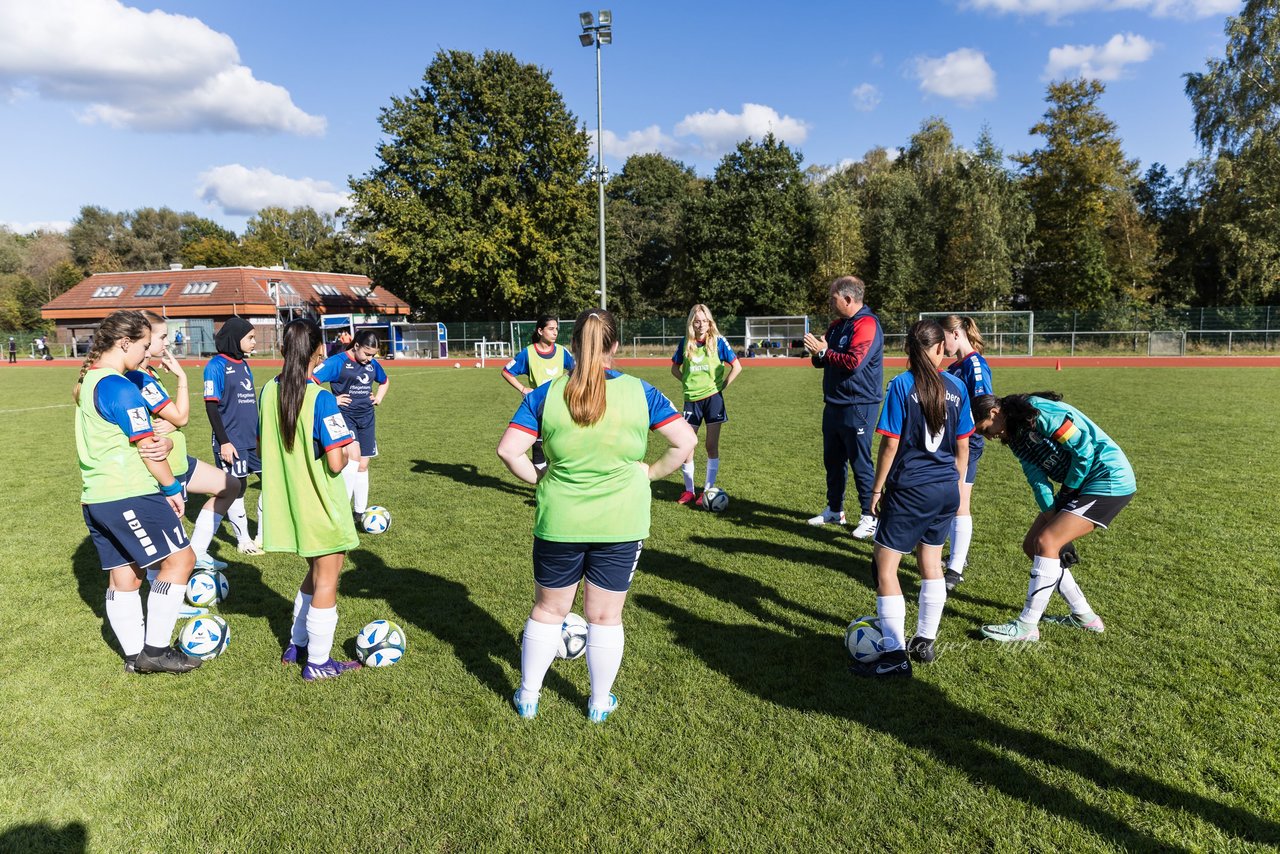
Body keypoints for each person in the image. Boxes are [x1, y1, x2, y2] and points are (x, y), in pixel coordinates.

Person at [497, 309, 696, 722]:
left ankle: (528, 696)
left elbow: (508, 451)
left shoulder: (546, 393)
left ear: (571, 346)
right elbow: (685, 442)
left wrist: (540, 480)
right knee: (605, 616)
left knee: (548, 611)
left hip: (561, 519)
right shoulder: (642, 392)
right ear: (615, 347)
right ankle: (598, 703)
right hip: (621, 520)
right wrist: (650, 472)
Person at [73, 310, 202, 674]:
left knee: (126, 576)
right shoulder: (119, 386)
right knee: (180, 561)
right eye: (144, 346)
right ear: (124, 343)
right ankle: (156, 651)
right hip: (129, 492)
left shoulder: (90, 381)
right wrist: (173, 486)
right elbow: (148, 448)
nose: (147, 354)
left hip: (96, 497)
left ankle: (135, 657)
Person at [850, 320, 972, 679]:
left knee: (885, 566)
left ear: (909, 350)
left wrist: (875, 490)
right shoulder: (957, 386)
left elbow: (889, 444)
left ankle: (894, 655)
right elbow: (963, 445)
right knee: (931, 562)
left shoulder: (902, 385)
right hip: (946, 488)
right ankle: (925, 640)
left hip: (911, 489)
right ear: (938, 350)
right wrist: (956, 483)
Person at [971, 391, 1136, 642]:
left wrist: (1069, 490)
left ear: (994, 413)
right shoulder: (1015, 437)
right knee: (1034, 544)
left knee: (1047, 542)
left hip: (1108, 478)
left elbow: (1083, 449)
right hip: (1081, 484)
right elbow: (1037, 480)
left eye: (985, 430)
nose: (989, 437)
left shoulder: (1037, 412)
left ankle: (1027, 626)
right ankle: (1085, 617)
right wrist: (1054, 516)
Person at [261, 318, 363, 681]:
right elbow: (335, 463)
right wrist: (349, 446)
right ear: (319, 350)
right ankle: (318, 662)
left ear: (283, 349)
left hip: (290, 503)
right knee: (327, 580)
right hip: (322, 503)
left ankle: (296, 642)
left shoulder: (268, 391)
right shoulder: (321, 399)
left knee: (314, 571)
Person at [130, 312, 240, 573]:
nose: (166, 343)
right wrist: (182, 379)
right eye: (162, 337)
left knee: (230, 486)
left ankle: (199, 550)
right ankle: (165, 593)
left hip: (181, 459)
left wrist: (174, 422)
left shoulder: (150, 372)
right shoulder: (140, 377)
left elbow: (174, 418)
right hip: (166, 464)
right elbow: (183, 416)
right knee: (168, 542)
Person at [802, 275, 884, 539]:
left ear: (848, 299)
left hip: (859, 404)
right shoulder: (837, 325)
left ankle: (869, 516)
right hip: (835, 403)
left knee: (860, 462)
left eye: (833, 297)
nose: (829, 301)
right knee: (833, 461)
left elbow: (853, 362)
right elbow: (821, 361)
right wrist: (818, 352)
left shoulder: (868, 324)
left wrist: (824, 352)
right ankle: (835, 510)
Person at [313, 329, 391, 522]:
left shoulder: (373, 365)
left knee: (363, 465)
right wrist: (333, 399)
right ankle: (341, 511)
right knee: (354, 457)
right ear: (356, 346)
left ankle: (359, 513)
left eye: (373, 355)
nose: (369, 359)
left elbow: (385, 381)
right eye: (366, 353)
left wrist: (379, 398)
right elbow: (311, 381)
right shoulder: (336, 362)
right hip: (344, 417)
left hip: (367, 417)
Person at [940, 315, 993, 591]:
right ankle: (956, 555)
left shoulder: (975, 364)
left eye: (943, 337)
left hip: (967, 443)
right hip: (950, 442)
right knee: (949, 499)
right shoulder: (955, 366)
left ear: (955, 333)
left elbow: (985, 406)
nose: (941, 344)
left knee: (960, 501)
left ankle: (956, 568)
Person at [670, 303, 742, 506]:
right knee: (687, 446)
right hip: (691, 400)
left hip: (713, 400)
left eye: (704, 321)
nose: (700, 325)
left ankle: (708, 491)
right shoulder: (686, 343)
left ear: (709, 323)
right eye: (696, 321)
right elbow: (674, 368)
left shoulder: (718, 342)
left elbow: (737, 366)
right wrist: (687, 382)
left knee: (711, 445)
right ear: (691, 322)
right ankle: (689, 491)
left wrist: (722, 387)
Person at [203, 317, 263, 554]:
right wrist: (224, 441)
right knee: (237, 487)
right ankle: (243, 541)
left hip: (254, 440)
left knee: (270, 481)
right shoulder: (215, 366)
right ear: (234, 338)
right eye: (250, 337)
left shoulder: (244, 364)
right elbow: (211, 406)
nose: (254, 342)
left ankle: (262, 535)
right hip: (232, 441)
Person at [501, 316, 575, 473]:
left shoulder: (562, 351)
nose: (555, 332)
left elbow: (577, 371)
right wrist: (523, 389)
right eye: (551, 329)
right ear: (540, 331)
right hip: (538, 406)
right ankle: (541, 484)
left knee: (559, 446)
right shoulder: (528, 353)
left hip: (560, 405)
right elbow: (507, 372)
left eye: (556, 329)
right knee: (539, 449)